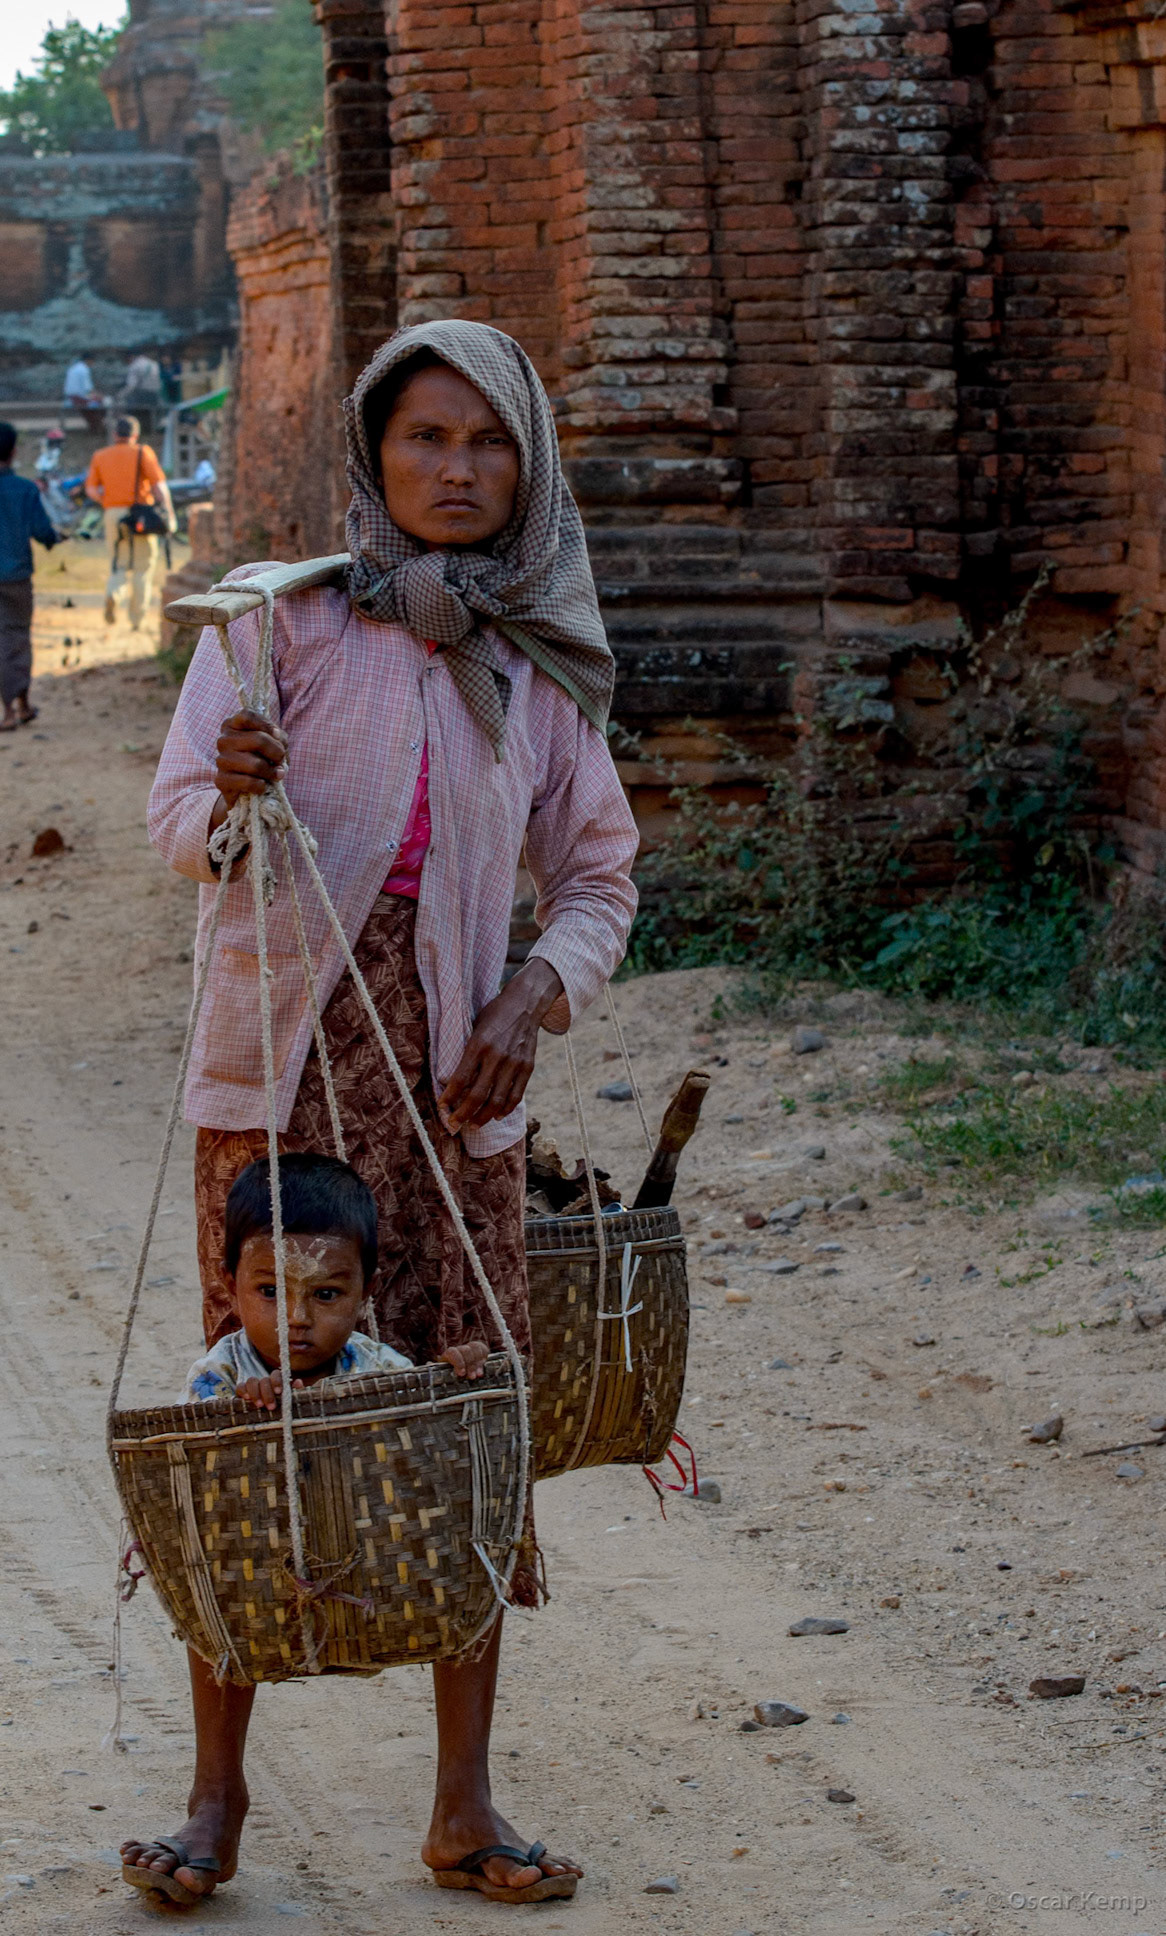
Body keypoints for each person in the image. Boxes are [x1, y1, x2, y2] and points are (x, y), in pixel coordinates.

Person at [136, 318, 639, 1910]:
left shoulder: (536, 670)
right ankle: (212, 1806)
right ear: (372, 453)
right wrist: (229, 789)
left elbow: (602, 882)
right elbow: (173, 835)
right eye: (424, 438)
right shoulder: (279, 630)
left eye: (489, 445)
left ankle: (464, 1811)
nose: (455, 470)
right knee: (256, 1429)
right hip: (282, 1093)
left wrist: (520, 1002)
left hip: (456, 1107)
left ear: (528, 470)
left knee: (458, 1436)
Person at [181, 1152, 487, 1408]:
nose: (297, 1318)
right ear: (232, 1287)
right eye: (271, 1291)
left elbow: (423, 1439)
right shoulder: (218, 1377)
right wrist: (244, 1415)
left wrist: (454, 1381)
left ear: (366, 1290)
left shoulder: (382, 1372)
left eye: (326, 1294)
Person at [85, 414, 175, 630]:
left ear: (115, 435)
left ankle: (113, 594)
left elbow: (90, 490)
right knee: (143, 567)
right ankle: (137, 620)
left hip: (113, 514)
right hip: (140, 515)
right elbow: (159, 486)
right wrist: (169, 513)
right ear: (135, 435)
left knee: (119, 562)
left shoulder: (100, 456)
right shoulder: (143, 453)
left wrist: (106, 501)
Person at [0, 420, 58, 732]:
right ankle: (17, 706)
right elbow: (41, 531)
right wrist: (54, 538)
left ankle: (11, 708)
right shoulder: (24, 489)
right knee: (16, 638)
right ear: (13, 451)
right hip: (15, 577)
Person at [122, 350, 162, 432]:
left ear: (130, 357)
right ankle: (152, 432)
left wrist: (121, 395)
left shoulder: (135, 365)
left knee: (137, 416)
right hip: (155, 394)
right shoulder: (154, 364)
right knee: (152, 416)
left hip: (141, 395)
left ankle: (137, 432)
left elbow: (131, 385)